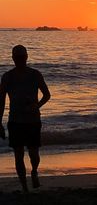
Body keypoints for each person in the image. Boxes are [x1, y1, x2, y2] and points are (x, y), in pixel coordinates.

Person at [0, 45, 50, 192]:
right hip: (15, 121)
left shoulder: (35, 74)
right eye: (16, 57)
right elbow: (1, 101)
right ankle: (24, 188)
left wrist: (37, 106)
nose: (19, 60)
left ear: (26, 57)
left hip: (33, 120)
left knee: (34, 154)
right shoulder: (7, 77)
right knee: (18, 154)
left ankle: (34, 171)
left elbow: (47, 95)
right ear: (13, 58)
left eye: (21, 57)